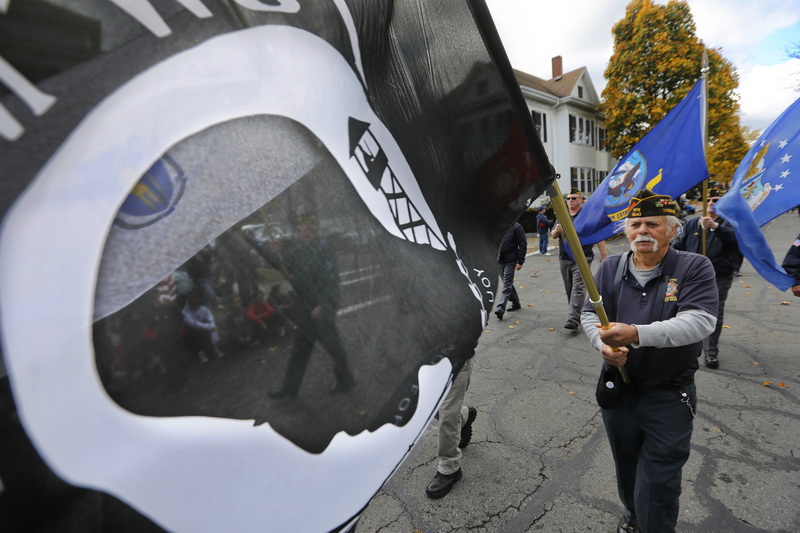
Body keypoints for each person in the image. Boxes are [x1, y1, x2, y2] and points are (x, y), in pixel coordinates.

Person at [580, 189, 718, 533]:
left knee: (659, 480)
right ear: (626, 231)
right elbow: (588, 314)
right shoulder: (610, 267)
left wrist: (635, 334)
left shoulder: (694, 266)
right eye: (635, 224)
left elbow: (700, 321)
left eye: (653, 224)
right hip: (618, 393)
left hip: (669, 397)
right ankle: (633, 518)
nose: (642, 231)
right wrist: (603, 344)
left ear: (672, 230)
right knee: (626, 468)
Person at [268, 217, 355, 398]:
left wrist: (323, 305)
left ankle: (346, 380)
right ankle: (290, 388)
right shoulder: (301, 249)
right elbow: (285, 263)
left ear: (312, 230)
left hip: (320, 309)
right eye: (298, 230)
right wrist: (277, 250)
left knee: (333, 347)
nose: (300, 233)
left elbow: (330, 281)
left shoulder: (323, 249)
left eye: (304, 230)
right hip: (305, 308)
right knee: (300, 349)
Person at [673, 187, 742, 369]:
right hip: (690, 275)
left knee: (714, 314)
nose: (711, 203)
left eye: (716, 200)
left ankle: (711, 353)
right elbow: (678, 245)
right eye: (709, 200)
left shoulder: (729, 224)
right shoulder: (693, 223)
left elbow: (736, 243)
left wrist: (715, 228)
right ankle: (683, 346)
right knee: (681, 309)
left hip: (719, 275)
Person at [551, 187, 608, 330]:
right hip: (564, 258)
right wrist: (557, 231)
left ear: (581, 200)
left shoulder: (587, 216)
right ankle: (579, 312)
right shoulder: (562, 215)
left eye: (574, 198)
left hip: (582, 257)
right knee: (569, 288)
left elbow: (597, 236)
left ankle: (573, 319)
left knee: (578, 288)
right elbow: (553, 235)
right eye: (569, 198)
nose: (570, 201)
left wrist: (604, 254)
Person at [425, 353, 478, 499]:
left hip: (456, 358)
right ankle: (463, 416)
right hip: (422, 358)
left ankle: (450, 467)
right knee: (425, 407)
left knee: (448, 415)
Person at [494, 221, 526, 320]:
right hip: (500, 260)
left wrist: (520, 261)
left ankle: (500, 308)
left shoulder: (516, 227)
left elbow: (523, 245)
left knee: (507, 284)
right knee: (506, 283)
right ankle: (516, 303)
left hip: (511, 260)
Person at [181, 291, 223, 363]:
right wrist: (208, 327)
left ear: (198, 299)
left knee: (213, 326)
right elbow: (193, 323)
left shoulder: (205, 309)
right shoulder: (185, 311)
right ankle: (200, 352)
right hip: (193, 331)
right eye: (189, 298)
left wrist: (211, 327)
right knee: (192, 332)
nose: (191, 300)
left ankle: (214, 346)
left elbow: (211, 321)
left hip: (204, 330)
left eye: (193, 298)